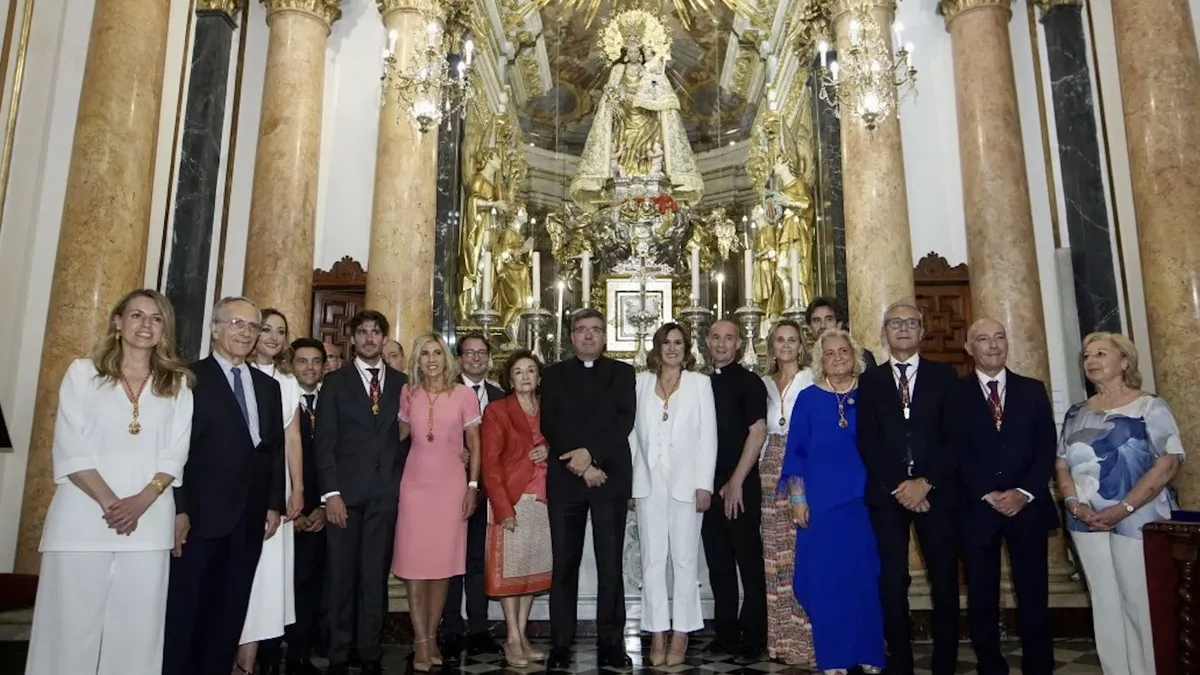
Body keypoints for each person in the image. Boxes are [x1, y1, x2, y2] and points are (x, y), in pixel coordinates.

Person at [26, 289, 194, 675]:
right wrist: (111, 503)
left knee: (136, 634)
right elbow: (70, 446)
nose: (145, 325)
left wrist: (140, 502)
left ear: (164, 329)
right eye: (136, 315)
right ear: (118, 322)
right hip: (82, 520)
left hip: (148, 523)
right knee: (69, 631)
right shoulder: (83, 373)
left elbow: (176, 453)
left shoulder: (177, 384)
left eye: (156, 318)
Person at [163, 296, 286, 675]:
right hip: (200, 518)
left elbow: (273, 450)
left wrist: (273, 504)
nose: (246, 333)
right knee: (187, 614)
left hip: (249, 520)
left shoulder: (268, 387)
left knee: (229, 614)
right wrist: (179, 508)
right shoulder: (188, 378)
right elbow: (174, 451)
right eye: (237, 324)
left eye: (253, 326)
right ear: (215, 329)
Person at [1056, 331, 1184, 675]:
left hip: (1138, 519)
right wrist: (1074, 505)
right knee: (1105, 603)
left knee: (1140, 603)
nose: (1091, 361)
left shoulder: (1150, 406)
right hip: (1086, 521)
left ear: (1125, 361)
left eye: (1100, 353)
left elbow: (1168, 463)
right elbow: (1062, 464)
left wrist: (1124, 507)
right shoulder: (1076, 412)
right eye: (1087, 356)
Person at [855, 300, 959, 675]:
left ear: (922, 331)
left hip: (936, 494)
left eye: (911, 323)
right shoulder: (870, 381)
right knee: (892, 582)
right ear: (884, 332)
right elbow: (867, 440)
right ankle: (900, 664)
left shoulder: (945, 376)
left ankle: (945, 664)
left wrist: (925, 483)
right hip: (888, 496)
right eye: (895, 323)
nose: (903, 328)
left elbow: (954, 436)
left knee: (944, 580)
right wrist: (901, 485)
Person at [955, 318, 1058, 675]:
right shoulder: (955, 394)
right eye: (983, 339)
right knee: (982, 595)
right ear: (969, 348)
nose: (993, 345)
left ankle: (1039, 665)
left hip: (1027, 508)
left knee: (1033, 592)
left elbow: (1046, 448)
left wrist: (1024, 492)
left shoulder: (1033, 389)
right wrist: (986, 491)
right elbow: (953, 450)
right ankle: (990, 665)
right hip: (976, 508)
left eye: (999, 337)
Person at [780, 329, 884, 675]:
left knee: (865, 577)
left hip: (865, 502)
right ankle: (835, 656)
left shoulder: (871, 394)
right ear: (819, 361)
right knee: (826, 581)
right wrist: (798, 498)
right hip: (821, 504)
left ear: (855, 356)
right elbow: (796, 451)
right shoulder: (808, 399)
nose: (838, 357)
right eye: (830, 353)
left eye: (844, 351)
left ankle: (869, 652)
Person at [541, 308, 637, 670]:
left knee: (610, 566)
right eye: (581, 330)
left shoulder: (622, 373)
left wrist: (592, 457)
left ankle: (611, 643)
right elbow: (550, 422)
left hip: (608, 478)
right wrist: (581, 464)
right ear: (571, 337)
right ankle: (560, 644)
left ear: (605, 336)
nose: (588, 336)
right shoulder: (553, 375)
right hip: (567, 480)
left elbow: (623, 421)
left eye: (595, 330)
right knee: (564, 566)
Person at [315, 310, 407, 675]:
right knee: (341, 576)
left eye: (375, 332)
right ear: (352, 339)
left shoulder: (402, 383)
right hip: (344, 497)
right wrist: (330, 493)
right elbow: (324, 442)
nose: (369, 338)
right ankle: (339, 652)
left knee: (374, 577)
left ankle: (369, 651)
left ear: (384, 338)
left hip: (385, 496)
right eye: (363, 332)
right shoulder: (335, 382)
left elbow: (411, 436)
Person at [394, 332, 483, 672]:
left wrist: (472, 486)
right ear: (417, 360)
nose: (431, 359)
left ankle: (431, 637)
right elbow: (397, 437)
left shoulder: (464, 395)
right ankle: (421, 641)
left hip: (451, 489)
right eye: (424, 353)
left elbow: (475, 444)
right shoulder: (408, 393)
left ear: (446, 358)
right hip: (414, 488)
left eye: (437, 352)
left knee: (442, 568)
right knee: (415, 567)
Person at [630, 323, 717, 665]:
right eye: (666, 342)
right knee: (652, 562)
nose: (672, 348)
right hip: (648, 484)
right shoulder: (640, 383)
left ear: (686, 348)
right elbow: (631, 437)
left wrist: (704, 484)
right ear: (657, 347)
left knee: (684, 561)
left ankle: (681, 632)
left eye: (678, 342)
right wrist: (632, 482)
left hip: (687, 485)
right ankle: (656, 633)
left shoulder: (700, 384)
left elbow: (708, 437)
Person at [237, 309, 306, 675]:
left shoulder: (287, 381)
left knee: (266, 576)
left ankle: (247, 662)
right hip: (238, 485)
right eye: (266, 329)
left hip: (276, 487)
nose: (274, 337)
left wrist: (297, 488)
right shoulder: (235, 373)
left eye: (281, 331)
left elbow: (293, 439)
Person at [257, 338, 328, 675]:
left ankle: (300, 652)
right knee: (274, 581)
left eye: (316, 361)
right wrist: (288, 509)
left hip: (320, 508)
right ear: (290, 364)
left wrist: (323, 507)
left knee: (309, 584)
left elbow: (339, 458)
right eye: (302, 361)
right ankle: (268, 654)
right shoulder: (277, 396)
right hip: (282, 505)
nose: (309, 368)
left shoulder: (333, 401)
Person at [480, 350, 554, 666]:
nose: (525, 376)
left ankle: (522, 634)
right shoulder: (498, 411)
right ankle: (511, 637)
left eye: (531, 370)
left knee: (530, 573)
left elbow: (561, 439)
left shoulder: (549, 408)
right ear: (510, 380)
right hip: (512, 499)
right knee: (510, 571)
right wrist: (502, 509)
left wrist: (548, 447)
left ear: (539, 376)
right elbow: (490, 464)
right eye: (519, 372)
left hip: (544, 500)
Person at [702, 319, 769, 661]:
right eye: (716, 337)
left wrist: (737, 481)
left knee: (748, 562)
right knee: (718, 563)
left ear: (739, 343)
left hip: (740, 485)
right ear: (707, 341)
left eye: (728, 338)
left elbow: (757, 431)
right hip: (709, 485)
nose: (722, 343)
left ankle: (755, 636)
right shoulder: (700, 384)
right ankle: (726, 633)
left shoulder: (750, 382)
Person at [440, 334, 505, 660]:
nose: (476, 358)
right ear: (459, 358)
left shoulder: (500, 396)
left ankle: (479, 628)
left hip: (488, 492)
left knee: (479, 560)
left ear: (489, 359)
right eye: (469, 353)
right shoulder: (446, 392)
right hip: (450, 487)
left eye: (481, 353)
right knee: (451, 559)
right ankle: (450, 627)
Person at [758, 320, 814, 665]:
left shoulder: (812, 379)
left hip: (801, 471)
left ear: (801, 345)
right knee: (775, 558)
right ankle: (780, 641)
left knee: (800, 557)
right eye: (780, 339)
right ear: (771, 346)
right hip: (768, 473)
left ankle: (805, 641)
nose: (786, 345)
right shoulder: (763, 383)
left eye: (792, 340)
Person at [806, 297, 876, 367]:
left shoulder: (861, 357)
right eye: (817, 320)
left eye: (829, 319)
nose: (823, 326)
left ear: (839, 325)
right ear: (810, 328)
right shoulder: (807, 360)